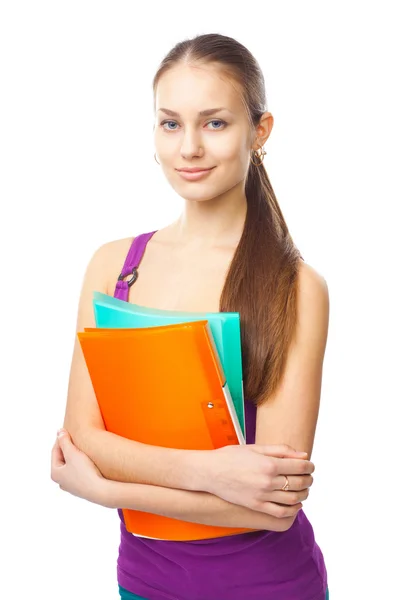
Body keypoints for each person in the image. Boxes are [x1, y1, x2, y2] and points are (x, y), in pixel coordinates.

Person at [51, 33, 330, 600]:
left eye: (215, 123)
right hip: (142, 584)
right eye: (171, 124)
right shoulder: (115, 268)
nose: (189, 149)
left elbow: (272, 508)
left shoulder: (296, 287)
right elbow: (82, 438)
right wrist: (212, 473)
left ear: (261, 130)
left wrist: (108, 492)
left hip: (267, 587)